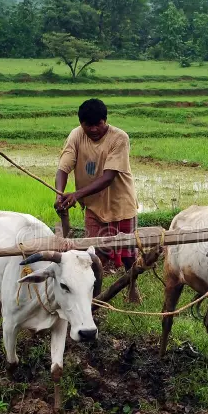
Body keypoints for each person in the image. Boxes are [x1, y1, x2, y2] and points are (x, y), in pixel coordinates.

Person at [54, 98, 140, 301]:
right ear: (81, 123)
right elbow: (64, 167)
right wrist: (59, 194)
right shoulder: (76, 135)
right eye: (88, 125)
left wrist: (76, 194)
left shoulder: (119, 138)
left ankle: (132, 287)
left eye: (98, 124)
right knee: (93, 255)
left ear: (105, 121)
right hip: (93, 207)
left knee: (129, 254)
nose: (93, 129)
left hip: (121, 204)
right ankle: (94, 296)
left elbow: (108, 177)